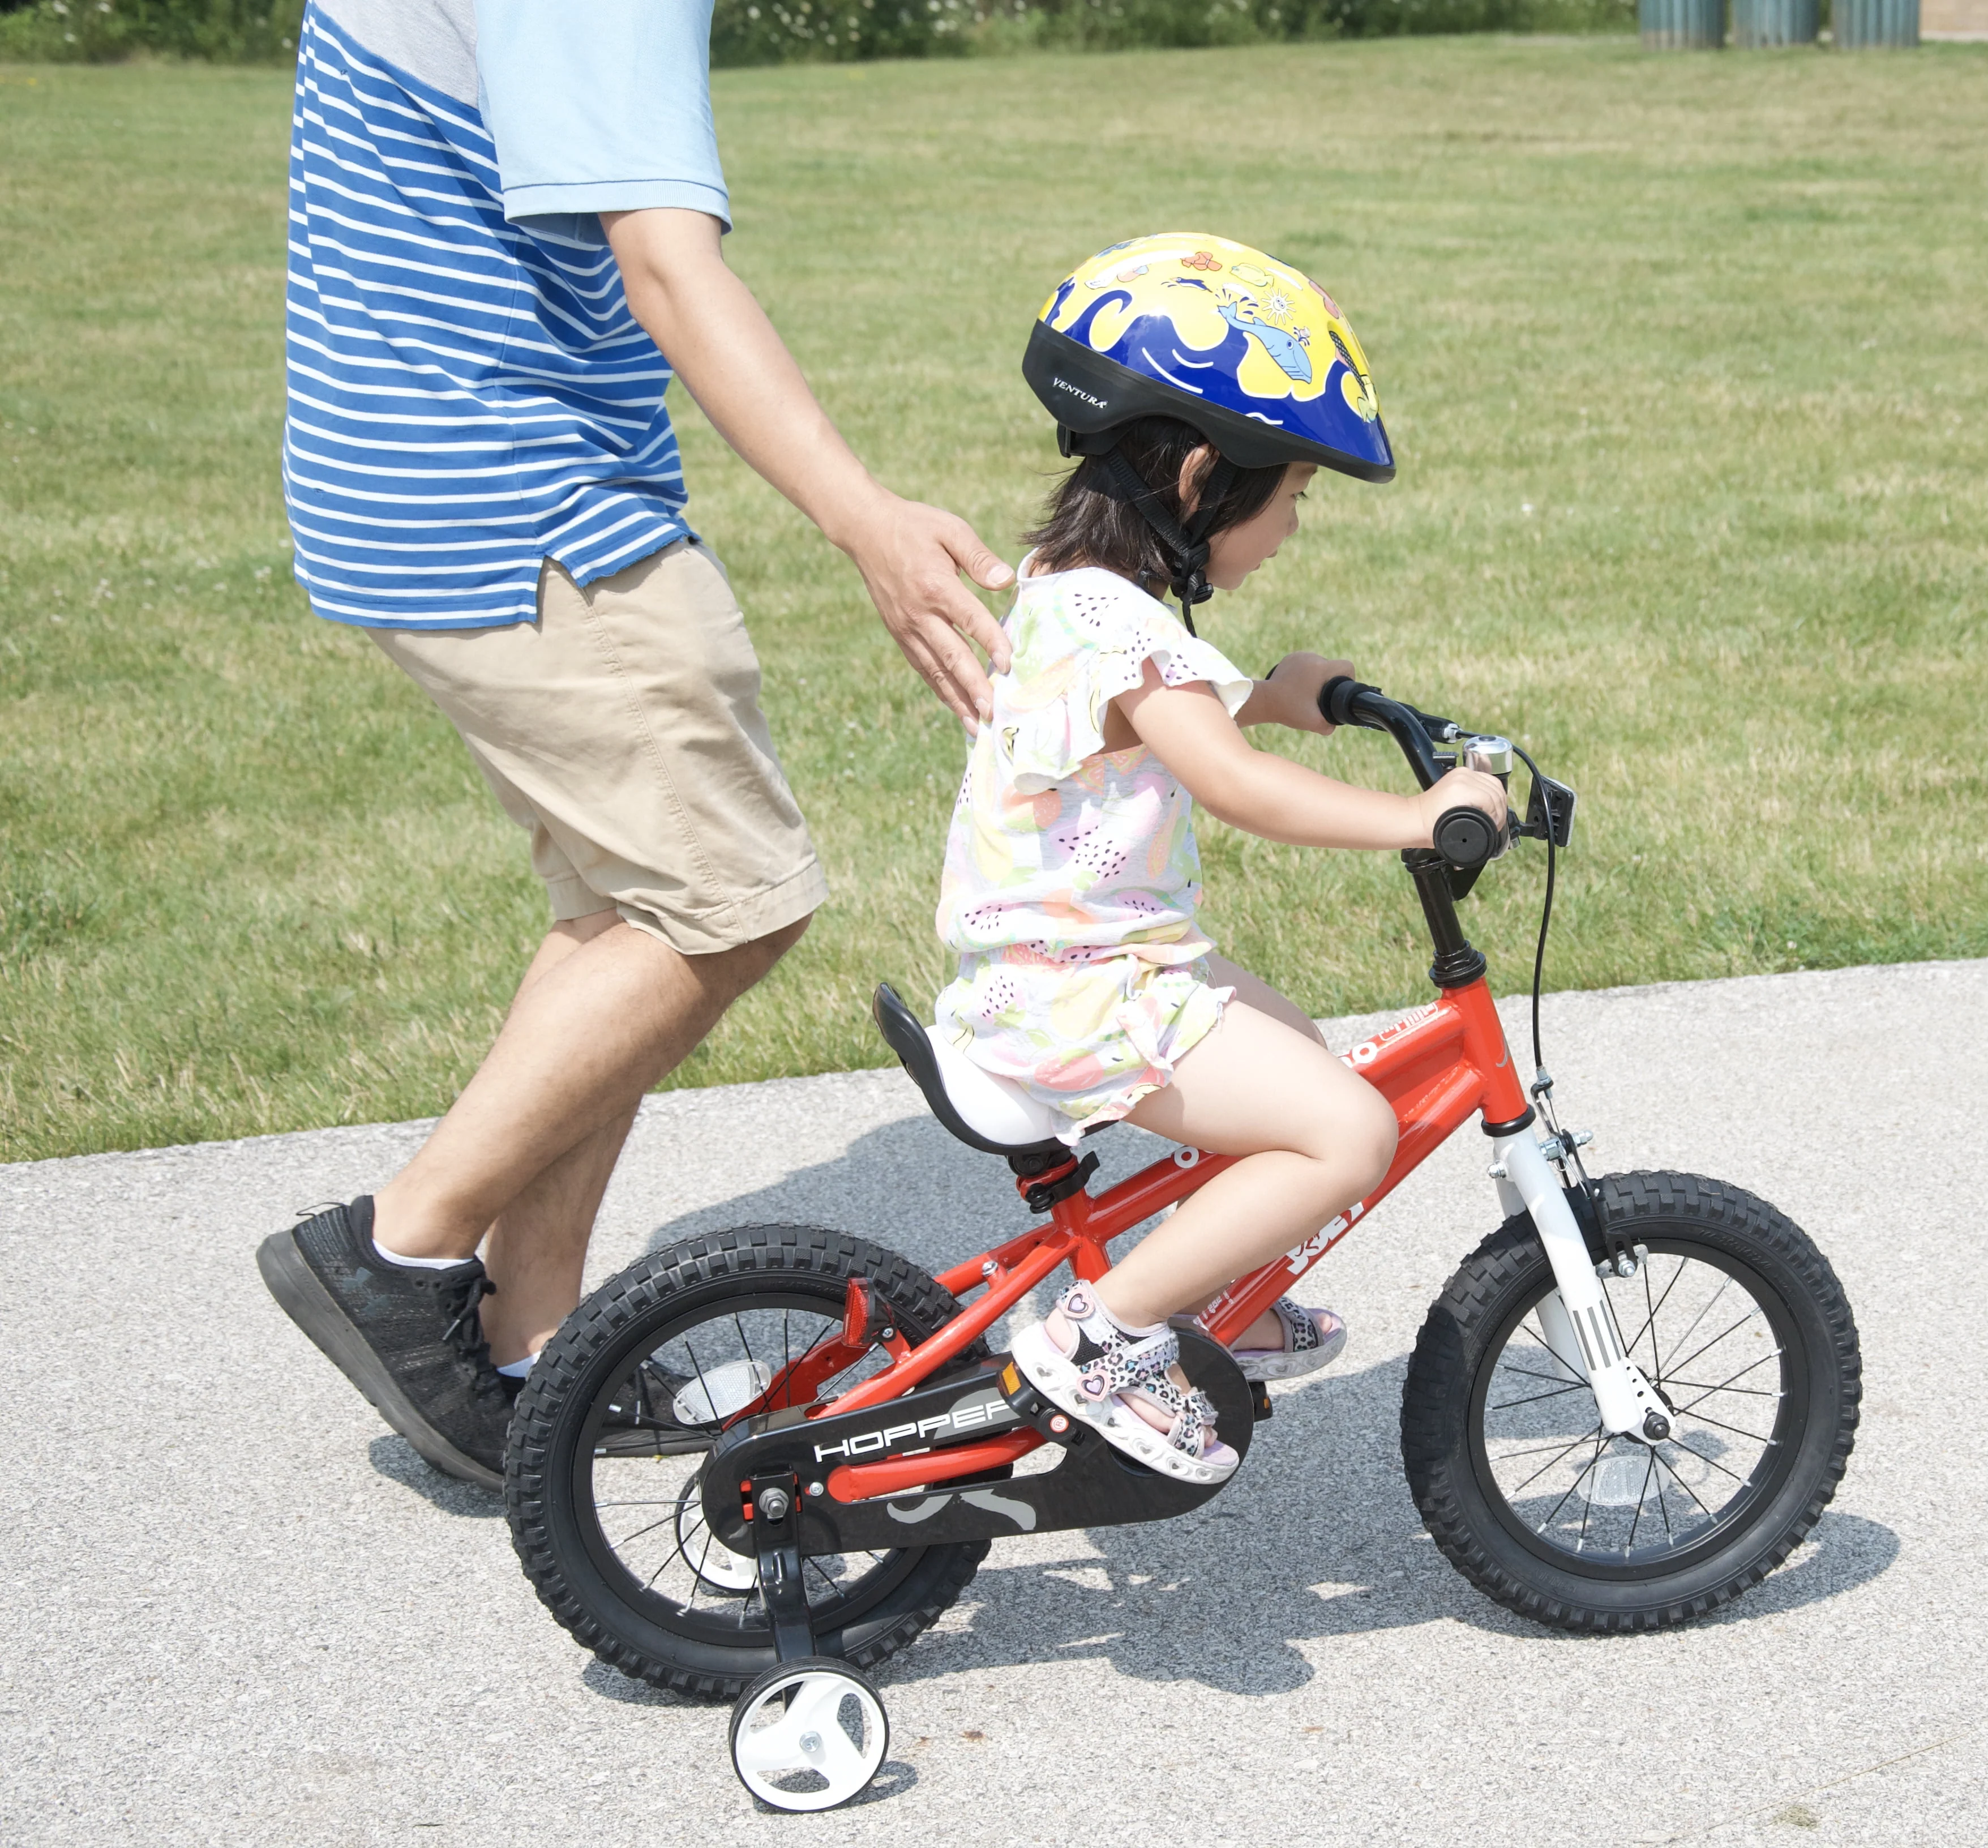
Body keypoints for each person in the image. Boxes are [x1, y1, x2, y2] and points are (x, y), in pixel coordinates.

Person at [254, 0, 1013, 1490]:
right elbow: (663, 260)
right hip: (522, 494)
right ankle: (400, 1250)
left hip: (411, 469)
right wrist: (865, 519)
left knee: (623, 908)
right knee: (727, 901)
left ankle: (531, 1339)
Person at [941, 234, 1509, 1480]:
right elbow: (1233, 785)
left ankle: (1212, 1302)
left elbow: (1141, 721)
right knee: (1347, 1135)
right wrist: (1421, 818)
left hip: (1083, 962)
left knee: (1300, 1052)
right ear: (1202, 476)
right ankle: (1103, 1337)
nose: (1293, 527)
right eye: (1293, 496)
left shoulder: (1073, 591)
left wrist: (1266, 694)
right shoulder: (1118, 626)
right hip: (1084, 986)